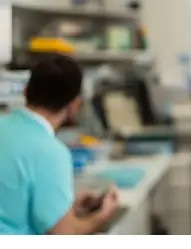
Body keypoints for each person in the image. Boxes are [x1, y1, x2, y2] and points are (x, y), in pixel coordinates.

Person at [0, 54, 119, 235]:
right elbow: (62, 235)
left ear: (25, 91)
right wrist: (102, 216)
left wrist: (66, 206)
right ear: (73, 105)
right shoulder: (52, 153)